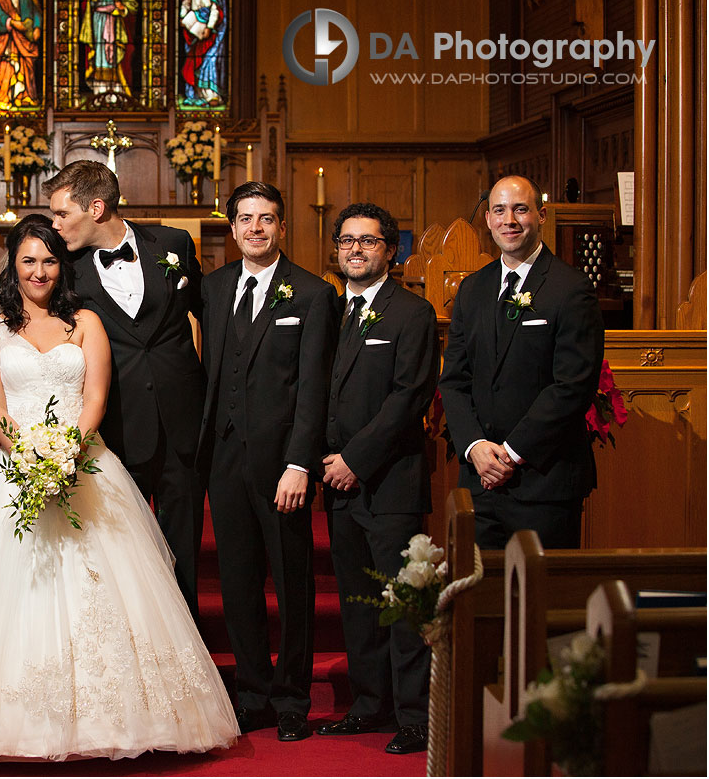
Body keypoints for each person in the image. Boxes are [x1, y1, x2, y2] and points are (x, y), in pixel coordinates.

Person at [0, 215, 237, 765]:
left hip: (86, 466)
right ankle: (8, 728)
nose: (40, 271)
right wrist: (32, 458)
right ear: (13, 266)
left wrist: (66, 454)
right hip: (14, 469)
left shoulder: (86, 321)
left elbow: (95, 401)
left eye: (50, 260)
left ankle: (119, 722)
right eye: (29, 261)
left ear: (64, 266)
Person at [197, 181, 338, 742]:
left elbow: (314, 388)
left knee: (292, 583)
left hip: (283, 464)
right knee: (237, 584)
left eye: (267, 219)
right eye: (246, 219)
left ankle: (292, 698)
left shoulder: (310, 293)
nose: (256, 228)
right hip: (224, 460)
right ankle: (253, 693)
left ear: (281, 227)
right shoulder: (212, 289)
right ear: (232, 228)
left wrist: (301, 463)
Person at [43, 160, 207, 619]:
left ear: (96, 208)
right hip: (115, 431)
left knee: (185, 555)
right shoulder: (67, 270)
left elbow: (209, 316)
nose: (54, 225)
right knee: (123, 559)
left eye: (61, 213)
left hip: (182, 425)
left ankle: (187, 649)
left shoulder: (173, 244)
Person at [318, 203, 438, 756]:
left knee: (404, 600)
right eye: (347, 241)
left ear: (392, 249)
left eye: (368, 241)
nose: (356, 250)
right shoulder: (328, 309)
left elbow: (407, 399)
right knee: (359, 602)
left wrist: (354, 460)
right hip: (337, 483)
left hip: (388, 480)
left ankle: (415, 715)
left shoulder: (411, 313)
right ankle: (369, 705)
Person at [439, 175, 604, 549]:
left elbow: (573, 386)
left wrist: (511, 454)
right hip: (479, 482)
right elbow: (454, 380)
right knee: (478, 602)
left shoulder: (570, 289)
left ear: (541, 215)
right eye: (499, 210)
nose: (508, 220)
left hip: (544, 483)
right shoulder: (472, 289)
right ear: (488, 220)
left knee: (541, 603)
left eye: (520, 209)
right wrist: (475, 446)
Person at [80, 0, 138, 100]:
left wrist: (122, 7)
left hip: (116, 28)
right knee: (101, 57)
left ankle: (118, 94)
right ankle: (100, 93)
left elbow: (133, 6)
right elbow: (87, 6)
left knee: (115, 57)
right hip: (99, 26)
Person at [0, 0, 43, 112]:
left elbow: (36, 11)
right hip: (10, 40)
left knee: (27, 67)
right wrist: (12, 23)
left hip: (27, 39)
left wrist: (37, 27)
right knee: (9, 66)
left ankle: (26, 96)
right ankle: (6, 98)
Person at [179, 0, 227, 106]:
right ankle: (194, 94)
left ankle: (212, 95)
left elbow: (216, 10)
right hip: (193, 30)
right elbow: (185, 4)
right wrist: (183, 17)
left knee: (209, 60)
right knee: (193, 62)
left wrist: (209, 27)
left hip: (210, 33)